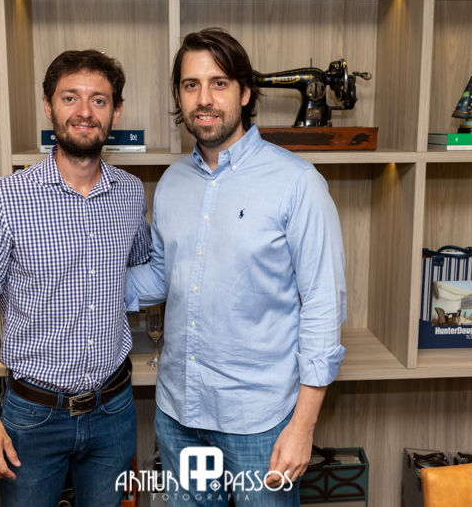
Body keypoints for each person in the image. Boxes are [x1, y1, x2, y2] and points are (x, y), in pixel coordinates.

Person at [126, 28, 347, 506]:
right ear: (179, 96)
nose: (204, 99)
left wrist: (303, 426)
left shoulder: (297, 183)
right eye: (191, 85)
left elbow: (323, 307)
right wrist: (88, 284)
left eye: (219, 83)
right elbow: (163, 275)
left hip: (260, 424)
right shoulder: (171, 182)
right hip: (180, 414)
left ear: (245, 93)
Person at [0, 50, 150, 507]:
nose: (84, 112)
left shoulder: (130, 193)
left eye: (99, 100)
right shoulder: (5, 199)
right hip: (33, 417)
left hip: (114, 408)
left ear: (116, 112)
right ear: (48, 106)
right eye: (70, 97)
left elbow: (142, 267)